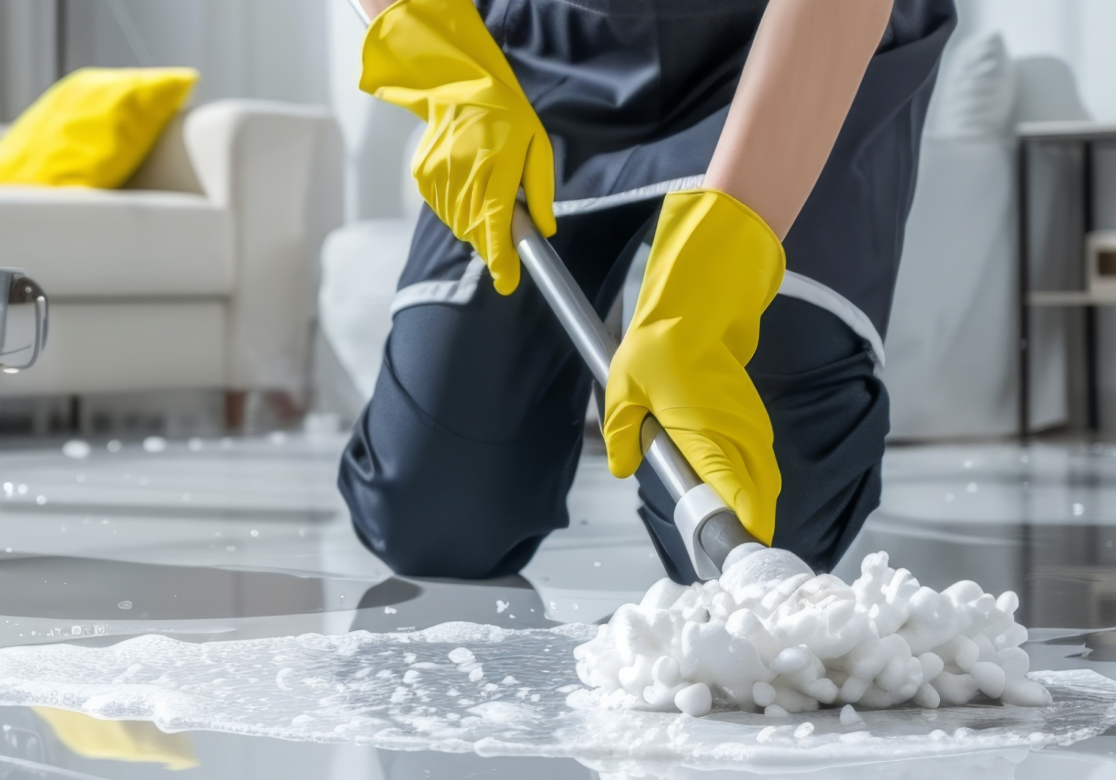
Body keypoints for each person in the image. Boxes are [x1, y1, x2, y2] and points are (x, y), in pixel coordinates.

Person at [338, 0, 956, 585]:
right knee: (438, 520)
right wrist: (441, 63)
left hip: (797, 51)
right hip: (542, 46)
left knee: (764, 516)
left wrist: (707, 295)